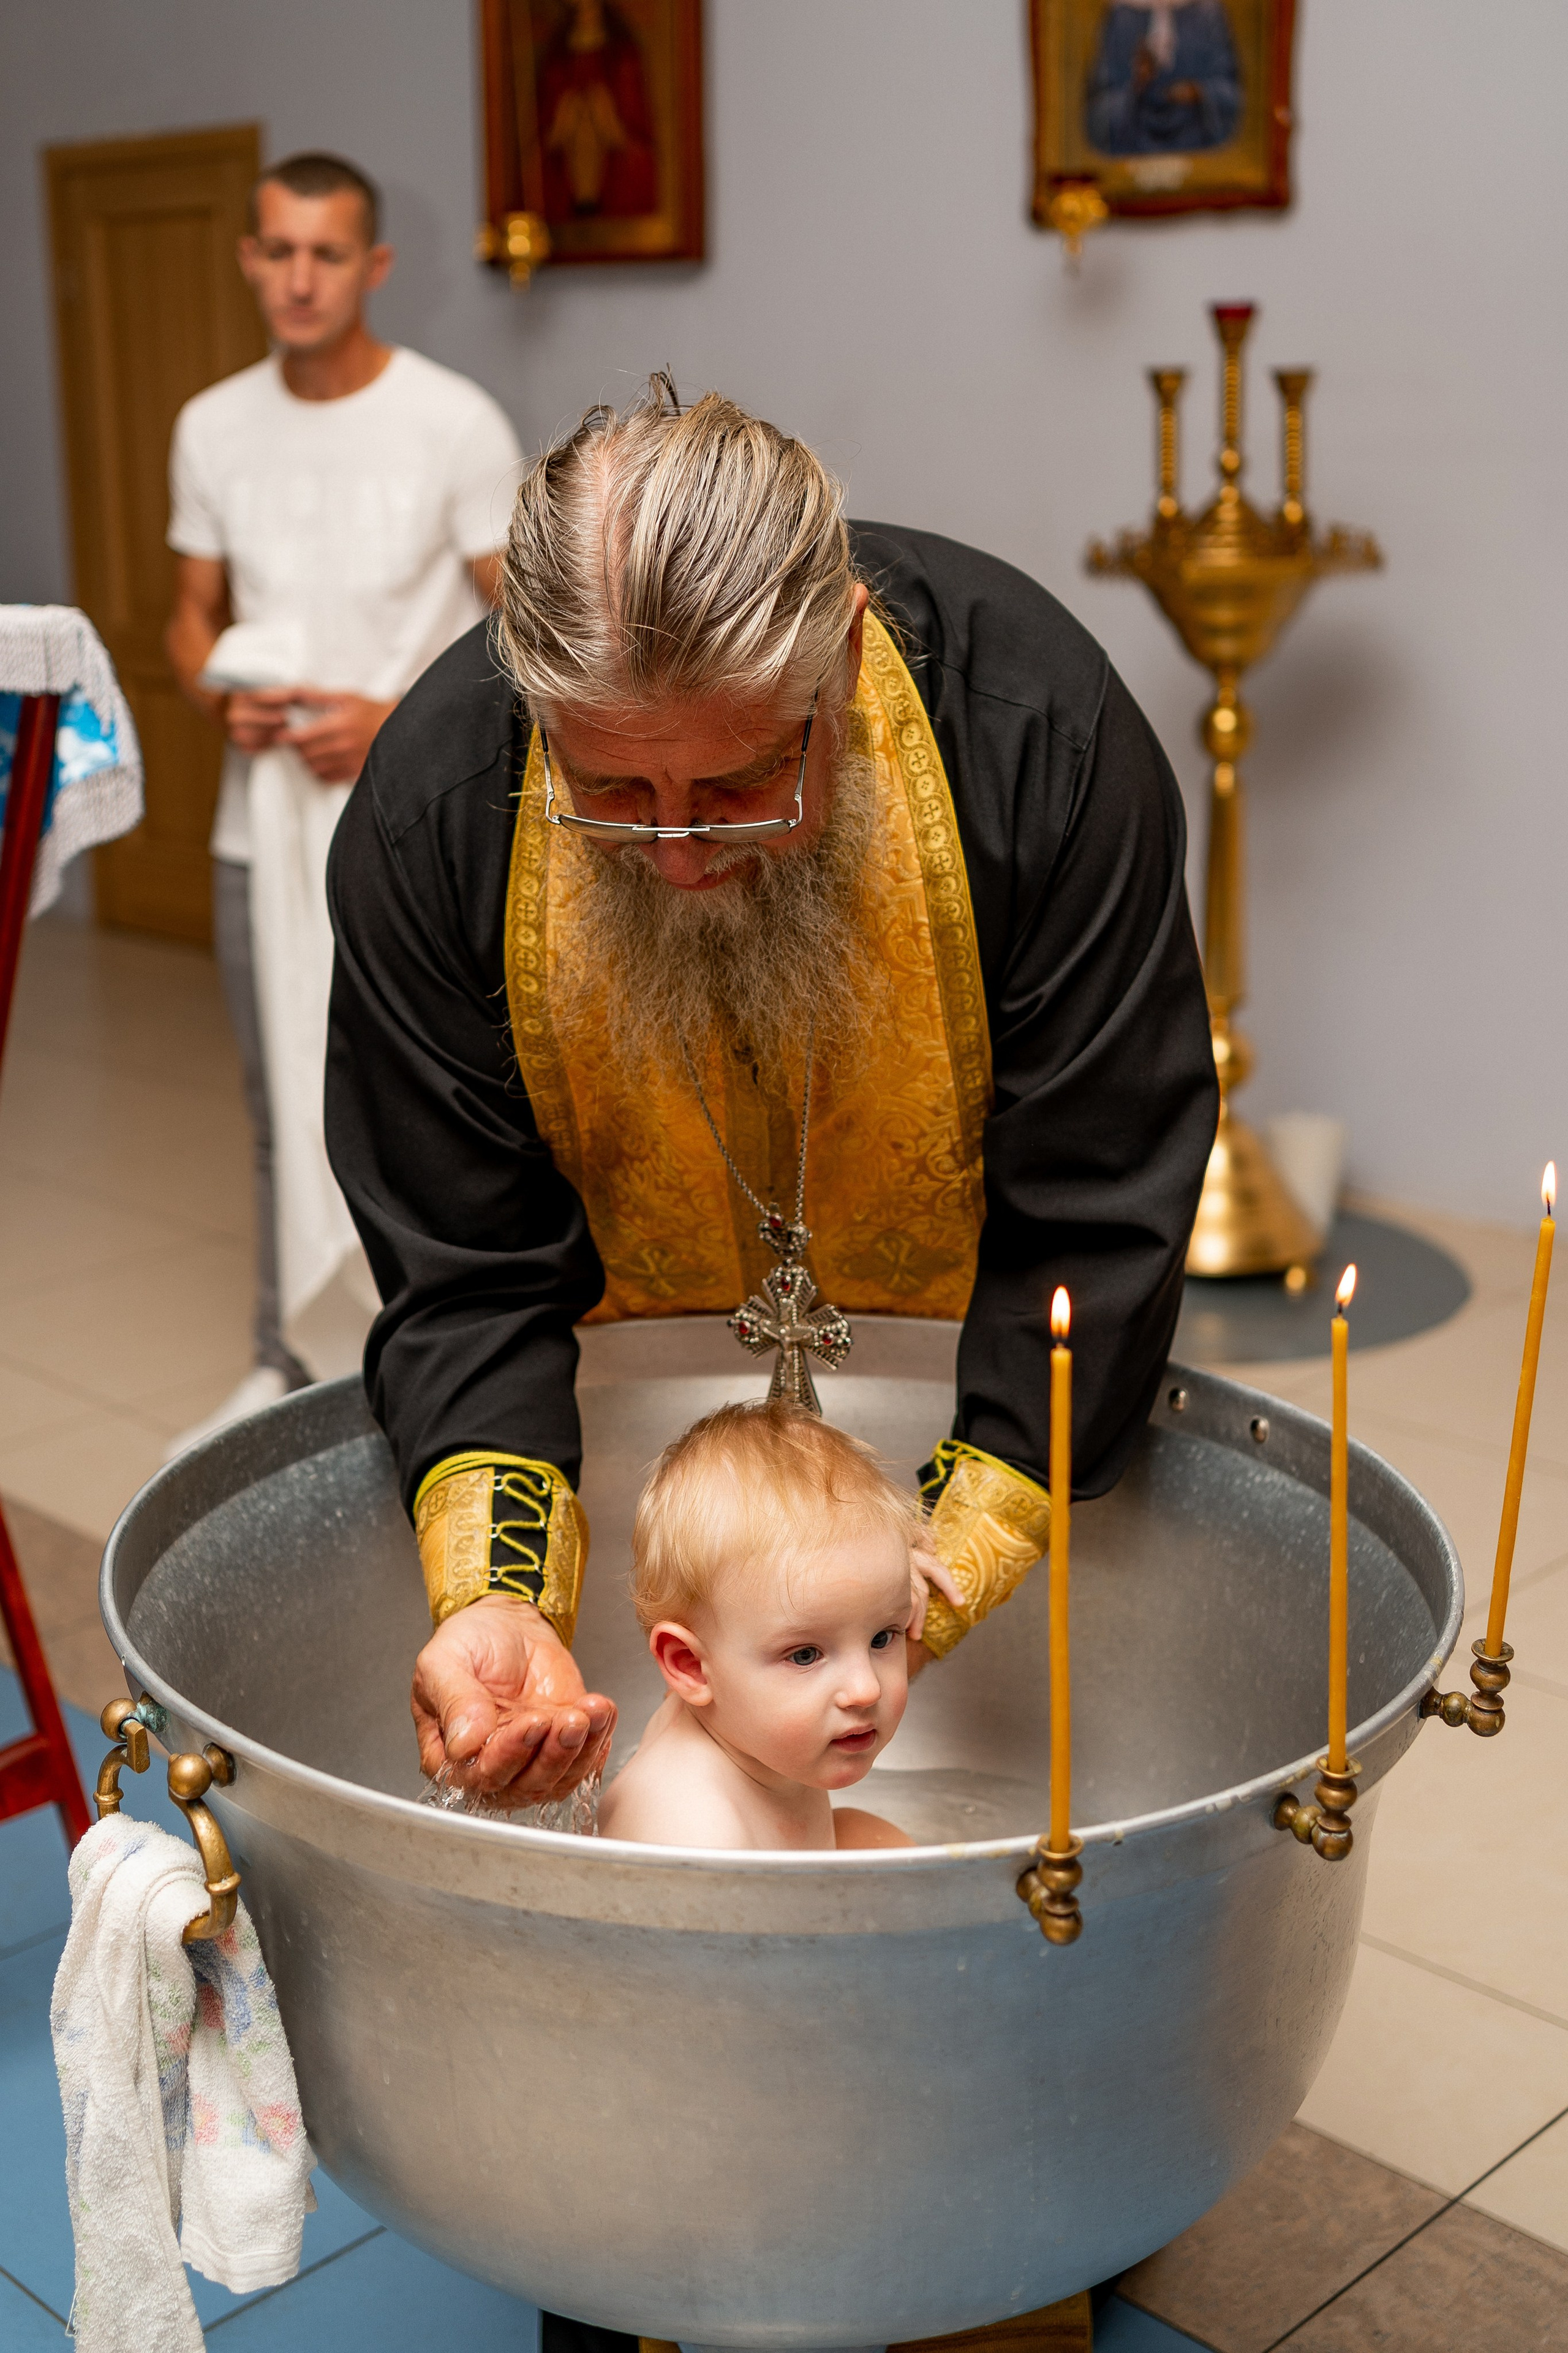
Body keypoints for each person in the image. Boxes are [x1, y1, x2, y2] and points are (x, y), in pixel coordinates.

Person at [325, 375, 1219, 1829]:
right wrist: (499, 1599)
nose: (679, 854)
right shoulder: (436, 808)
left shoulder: (1036, 740)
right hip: (626, 1397)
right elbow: (463, 1259)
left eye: (741, 783)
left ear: (842, 658)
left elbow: (1098, 1195)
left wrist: (922, 1579)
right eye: (613, 793)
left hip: (972, 1356)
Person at [164, 150, 522, 1447]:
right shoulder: (212, 425)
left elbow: (529, 629)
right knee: (281, 1099)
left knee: (427, 1095)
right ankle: (284, 1357)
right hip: (256, 826)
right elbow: (191, 614)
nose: (300, 279)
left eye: (327, 253)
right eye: (278, 251)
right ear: (249, 259)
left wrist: (393, 722)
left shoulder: (453, 422)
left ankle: (441, 1350)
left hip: (412, 831)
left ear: (373, 266)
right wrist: (215, 693)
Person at [599, 1400, 954, 1851]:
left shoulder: (751, 1730)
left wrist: (888, 1576)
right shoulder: (695, 1836)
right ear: (690, 1665)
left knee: (868, 1836)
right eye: (805, 1655)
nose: (867, 1690)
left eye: (882, 1637)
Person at [1085, 0, 1243, 157]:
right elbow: (1098, 108)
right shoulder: (1121, 17)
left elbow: (1232, 93)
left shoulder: (1208, 14)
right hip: (1132, 148)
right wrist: (1137, 84)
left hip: (1198, 144)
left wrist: (1198, 91)